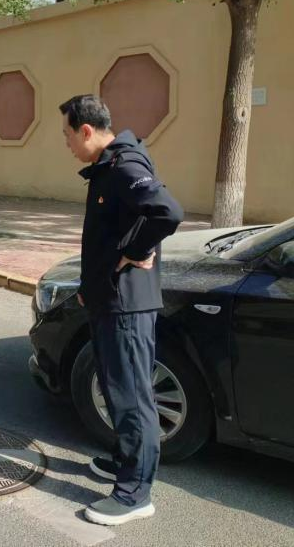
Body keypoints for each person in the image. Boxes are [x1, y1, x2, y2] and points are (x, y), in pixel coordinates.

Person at [59, 95, 184, 526]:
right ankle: (125, 460)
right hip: (109, 299)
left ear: (86, 130)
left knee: (131, 397)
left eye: (67, 135)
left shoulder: (124, 165)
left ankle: (135, 494)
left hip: (126, 307)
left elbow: (167, 212)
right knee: (117, 390)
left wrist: (139, 250)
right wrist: (90, 287)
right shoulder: (108, 166)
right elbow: (109, 235)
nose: (66, 144)